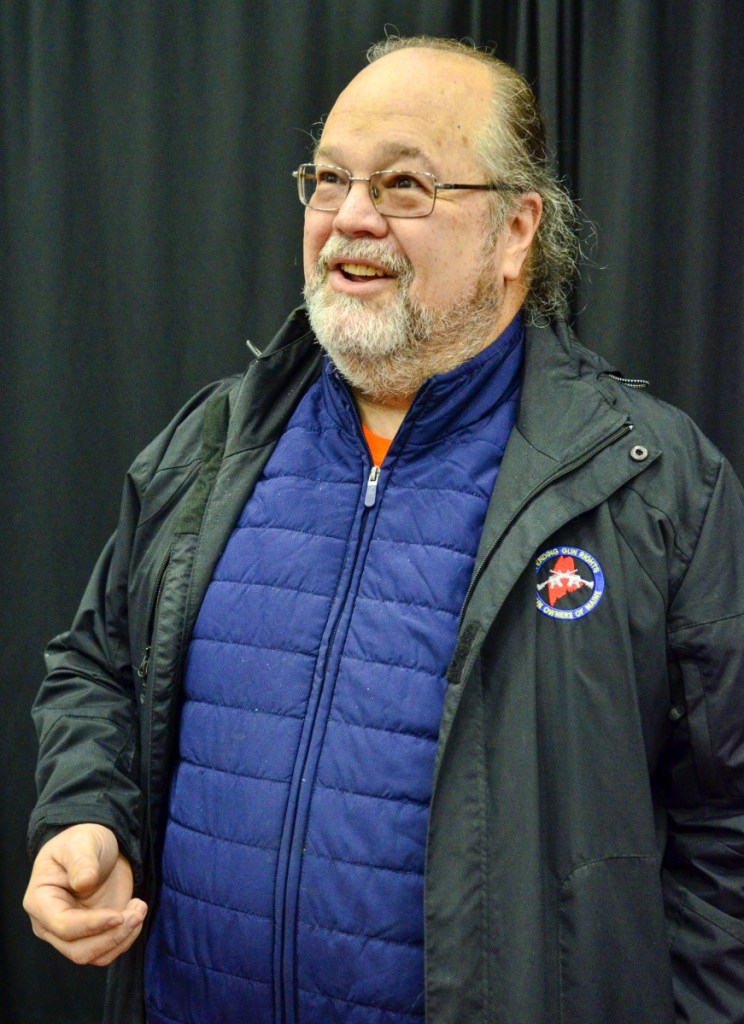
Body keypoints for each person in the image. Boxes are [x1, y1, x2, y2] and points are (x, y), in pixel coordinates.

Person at [23, 34, 744, 1024]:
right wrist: (86, 812)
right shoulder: (208, 445)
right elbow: (98, 664)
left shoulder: (657, 488)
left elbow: (727, 824)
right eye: (327, 181)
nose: (350, 218)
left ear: (515, 229)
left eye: (404, 185)